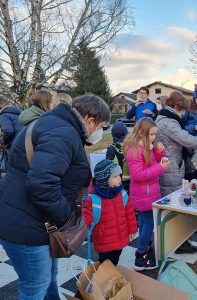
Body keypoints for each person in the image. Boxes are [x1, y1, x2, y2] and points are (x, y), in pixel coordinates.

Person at [0, 94, 110, 300]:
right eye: (102, 125)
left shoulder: (55, 125)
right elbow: (42, 184)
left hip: (29, 220)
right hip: (26, 227)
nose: (100, 132)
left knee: (49, 278)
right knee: (35, 286)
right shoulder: (63, 133)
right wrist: (66, 217)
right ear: (90, 120)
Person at [156, 91, 197, 254]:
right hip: (171, 167)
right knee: (173, 205)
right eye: (182, 110)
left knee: (172, 204)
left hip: (171, 164)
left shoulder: (165, 118)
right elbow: (186, 138)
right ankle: (178, 242)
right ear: (176, 107)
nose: (183, 113)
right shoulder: (169, 122)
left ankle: (175, 239)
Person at [123, 118, 170, 271]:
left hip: (149, 193)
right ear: (141, 133)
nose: (154, 138)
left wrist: (159, 153)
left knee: (145, 223)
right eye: (151, 134)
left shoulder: (146, 146)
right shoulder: (134, 150)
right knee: (148, 224)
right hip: (144, 195)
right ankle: (140, 255)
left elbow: (152, 164)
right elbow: (138, 175)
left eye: (155, 134)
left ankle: (144, 248)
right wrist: (161, 168)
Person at [82, 159, 137, 266]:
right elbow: (85, 219)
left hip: (120, 236)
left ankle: (108, 277)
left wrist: (132, 229)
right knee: (106, 263)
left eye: (119, 175)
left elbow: (129, 213)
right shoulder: (93, 199)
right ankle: (102, 280)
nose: (119, 178)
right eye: (115, 176)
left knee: (115, 259)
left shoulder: (122, 194)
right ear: (104, 179)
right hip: (104, 241)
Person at [0, 97, 23, 175]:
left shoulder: (4, 115)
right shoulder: (19, 114)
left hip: (13, 146)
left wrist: (3, 142)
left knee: (9, 172)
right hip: (22, 145)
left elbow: (9, 131)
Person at [106, 120, 130, 191]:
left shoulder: (111, 148)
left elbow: (107, 164)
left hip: (118, 179)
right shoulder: (130, 147)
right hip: (131, 178)